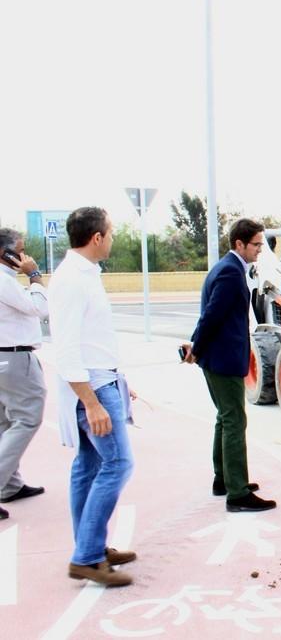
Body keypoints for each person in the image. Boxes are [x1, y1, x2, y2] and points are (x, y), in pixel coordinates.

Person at [49, 207, 136, 587]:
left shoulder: (84, 275)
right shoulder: (72, 280)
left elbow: (92, 340)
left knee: (87, 467)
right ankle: (86, 555)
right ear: (97, 238)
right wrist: (92, 402)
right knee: (118, 465)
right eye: (111, 232)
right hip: (92, 387)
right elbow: (66, 349)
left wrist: (119, 380)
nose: (113, 238)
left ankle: (91, 546)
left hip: (102, 379)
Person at [182, 219, 275, 513]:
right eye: (257, 244)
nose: (261, 249)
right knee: (235, 420)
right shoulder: (231, 273)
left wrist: (197, 346)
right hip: (223, 360)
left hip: (217, 357)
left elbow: (211, 316)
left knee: (225, 418)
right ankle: (237, 493)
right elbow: (212, 316)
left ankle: (223, 480)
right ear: (240, 244)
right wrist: (196, 347)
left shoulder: (227, 268)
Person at [0, 228, 48, 522]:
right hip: (14, 356)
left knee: (6, 421)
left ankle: (11, 485)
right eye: (19, 250)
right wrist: (35, 276)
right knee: (28, 417)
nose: (25, 256)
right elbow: (39, 309)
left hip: (3, 358)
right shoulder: (5, 282)